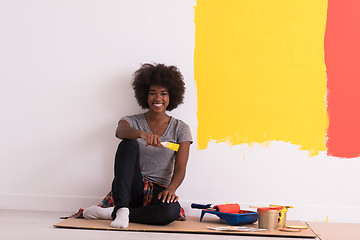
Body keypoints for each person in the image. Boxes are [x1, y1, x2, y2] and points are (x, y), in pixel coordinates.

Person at [82, 63, 192, 228]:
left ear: (171, 96)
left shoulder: (181, 128)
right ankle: (123, 207)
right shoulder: (132, 121)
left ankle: (115, 212)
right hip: (131, 188)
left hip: (158, 190)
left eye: (163, 93)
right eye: (152, 93)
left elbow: (181, 167)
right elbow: (120, 131)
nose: (158, 98)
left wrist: (172, 189)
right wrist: (141, 134)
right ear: (145, 95)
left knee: (171, 212)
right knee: (128, 143)